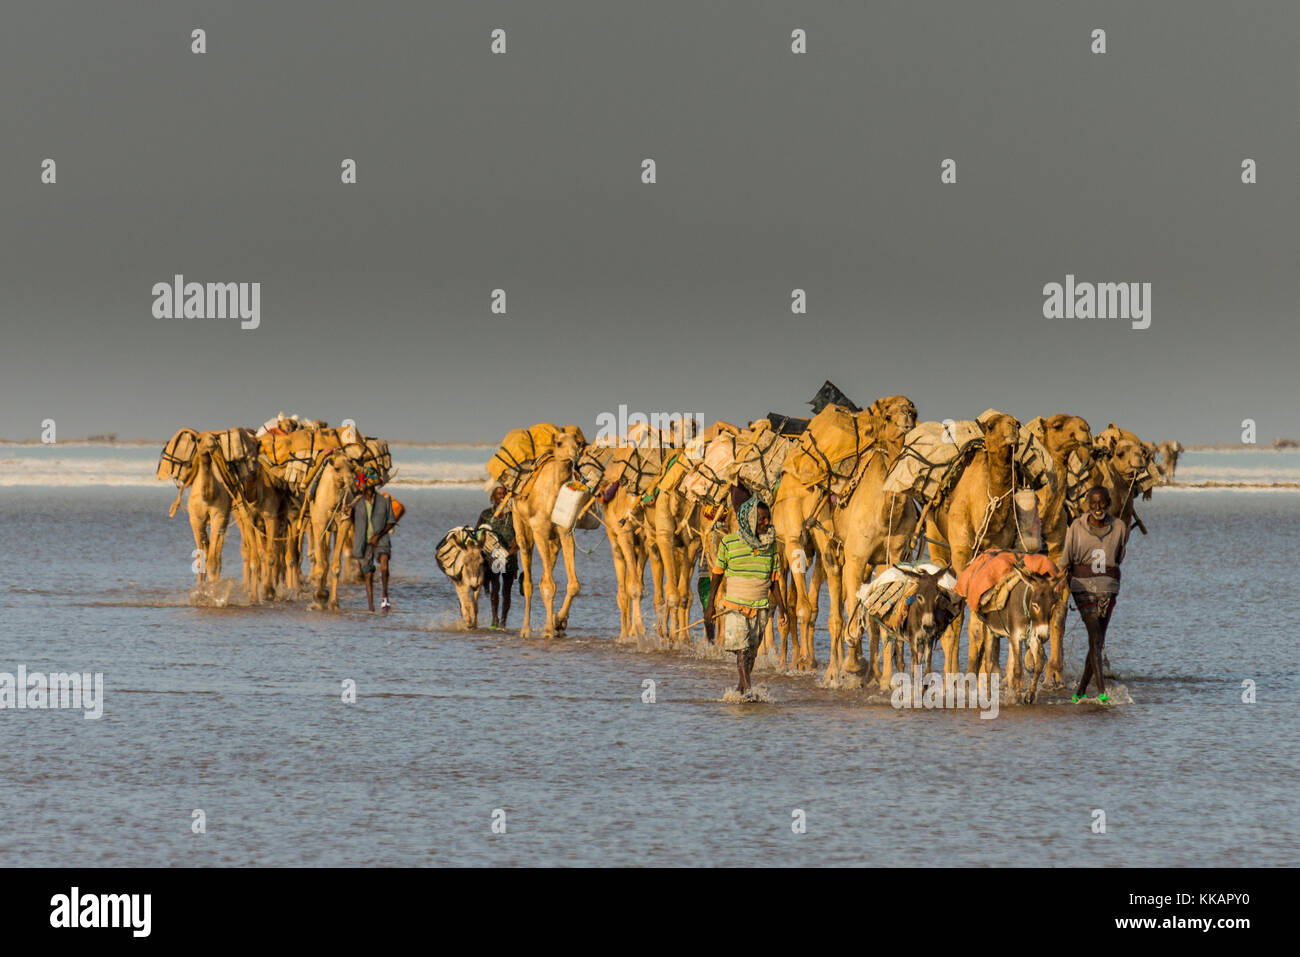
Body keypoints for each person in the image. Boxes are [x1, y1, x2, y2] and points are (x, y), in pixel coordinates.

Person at [703, 497, 789, 696]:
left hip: (760, 607)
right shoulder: (729, 543)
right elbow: (717, 575)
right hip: (735, 607)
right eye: (762, 520)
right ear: (749, 521)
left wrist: (782, 608)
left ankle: (740, 689)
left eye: (768, 519)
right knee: (742, 650)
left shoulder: (771, 545)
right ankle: (749, 690)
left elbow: (774, 579)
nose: (767, 523)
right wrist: (711, 606)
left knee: (752, 652)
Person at [1061, 485, 1128, 703]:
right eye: (1093, 503)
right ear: (1088, 505)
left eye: (1102, 503)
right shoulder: (1076, 528)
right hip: (1082, 588)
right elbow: (1066, 560)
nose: (1097, 508)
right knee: (1095, 636)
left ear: (1109, 503)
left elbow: (1119, 556)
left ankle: (1080, 692)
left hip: (1108, 589)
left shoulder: (1119, 527)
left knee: (1097, 642)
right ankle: (1102, 693)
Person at [351, 467, 400, 612]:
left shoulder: (385, 501)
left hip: (382, 540)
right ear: (363, 489)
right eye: (367, 487)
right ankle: (371, 606)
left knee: (384, 567)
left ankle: (385, 596)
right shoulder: (357, 505)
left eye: (372, 487)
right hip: (364, 544)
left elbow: (391, 521)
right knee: (368, 574)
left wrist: (378, 535)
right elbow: (352, 521)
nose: (369, 490)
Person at [477, 484, 519, 629]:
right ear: (493, 498)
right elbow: (478, 534)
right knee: (495, 587)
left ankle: (503, 621)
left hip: (511, 556)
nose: (501, 496)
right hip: (493, 557)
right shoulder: (486, 514)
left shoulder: (514, 515)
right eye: (498, 494)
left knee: (506, 592)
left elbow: (520, 534)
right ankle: (494, 619)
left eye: (504, 494)